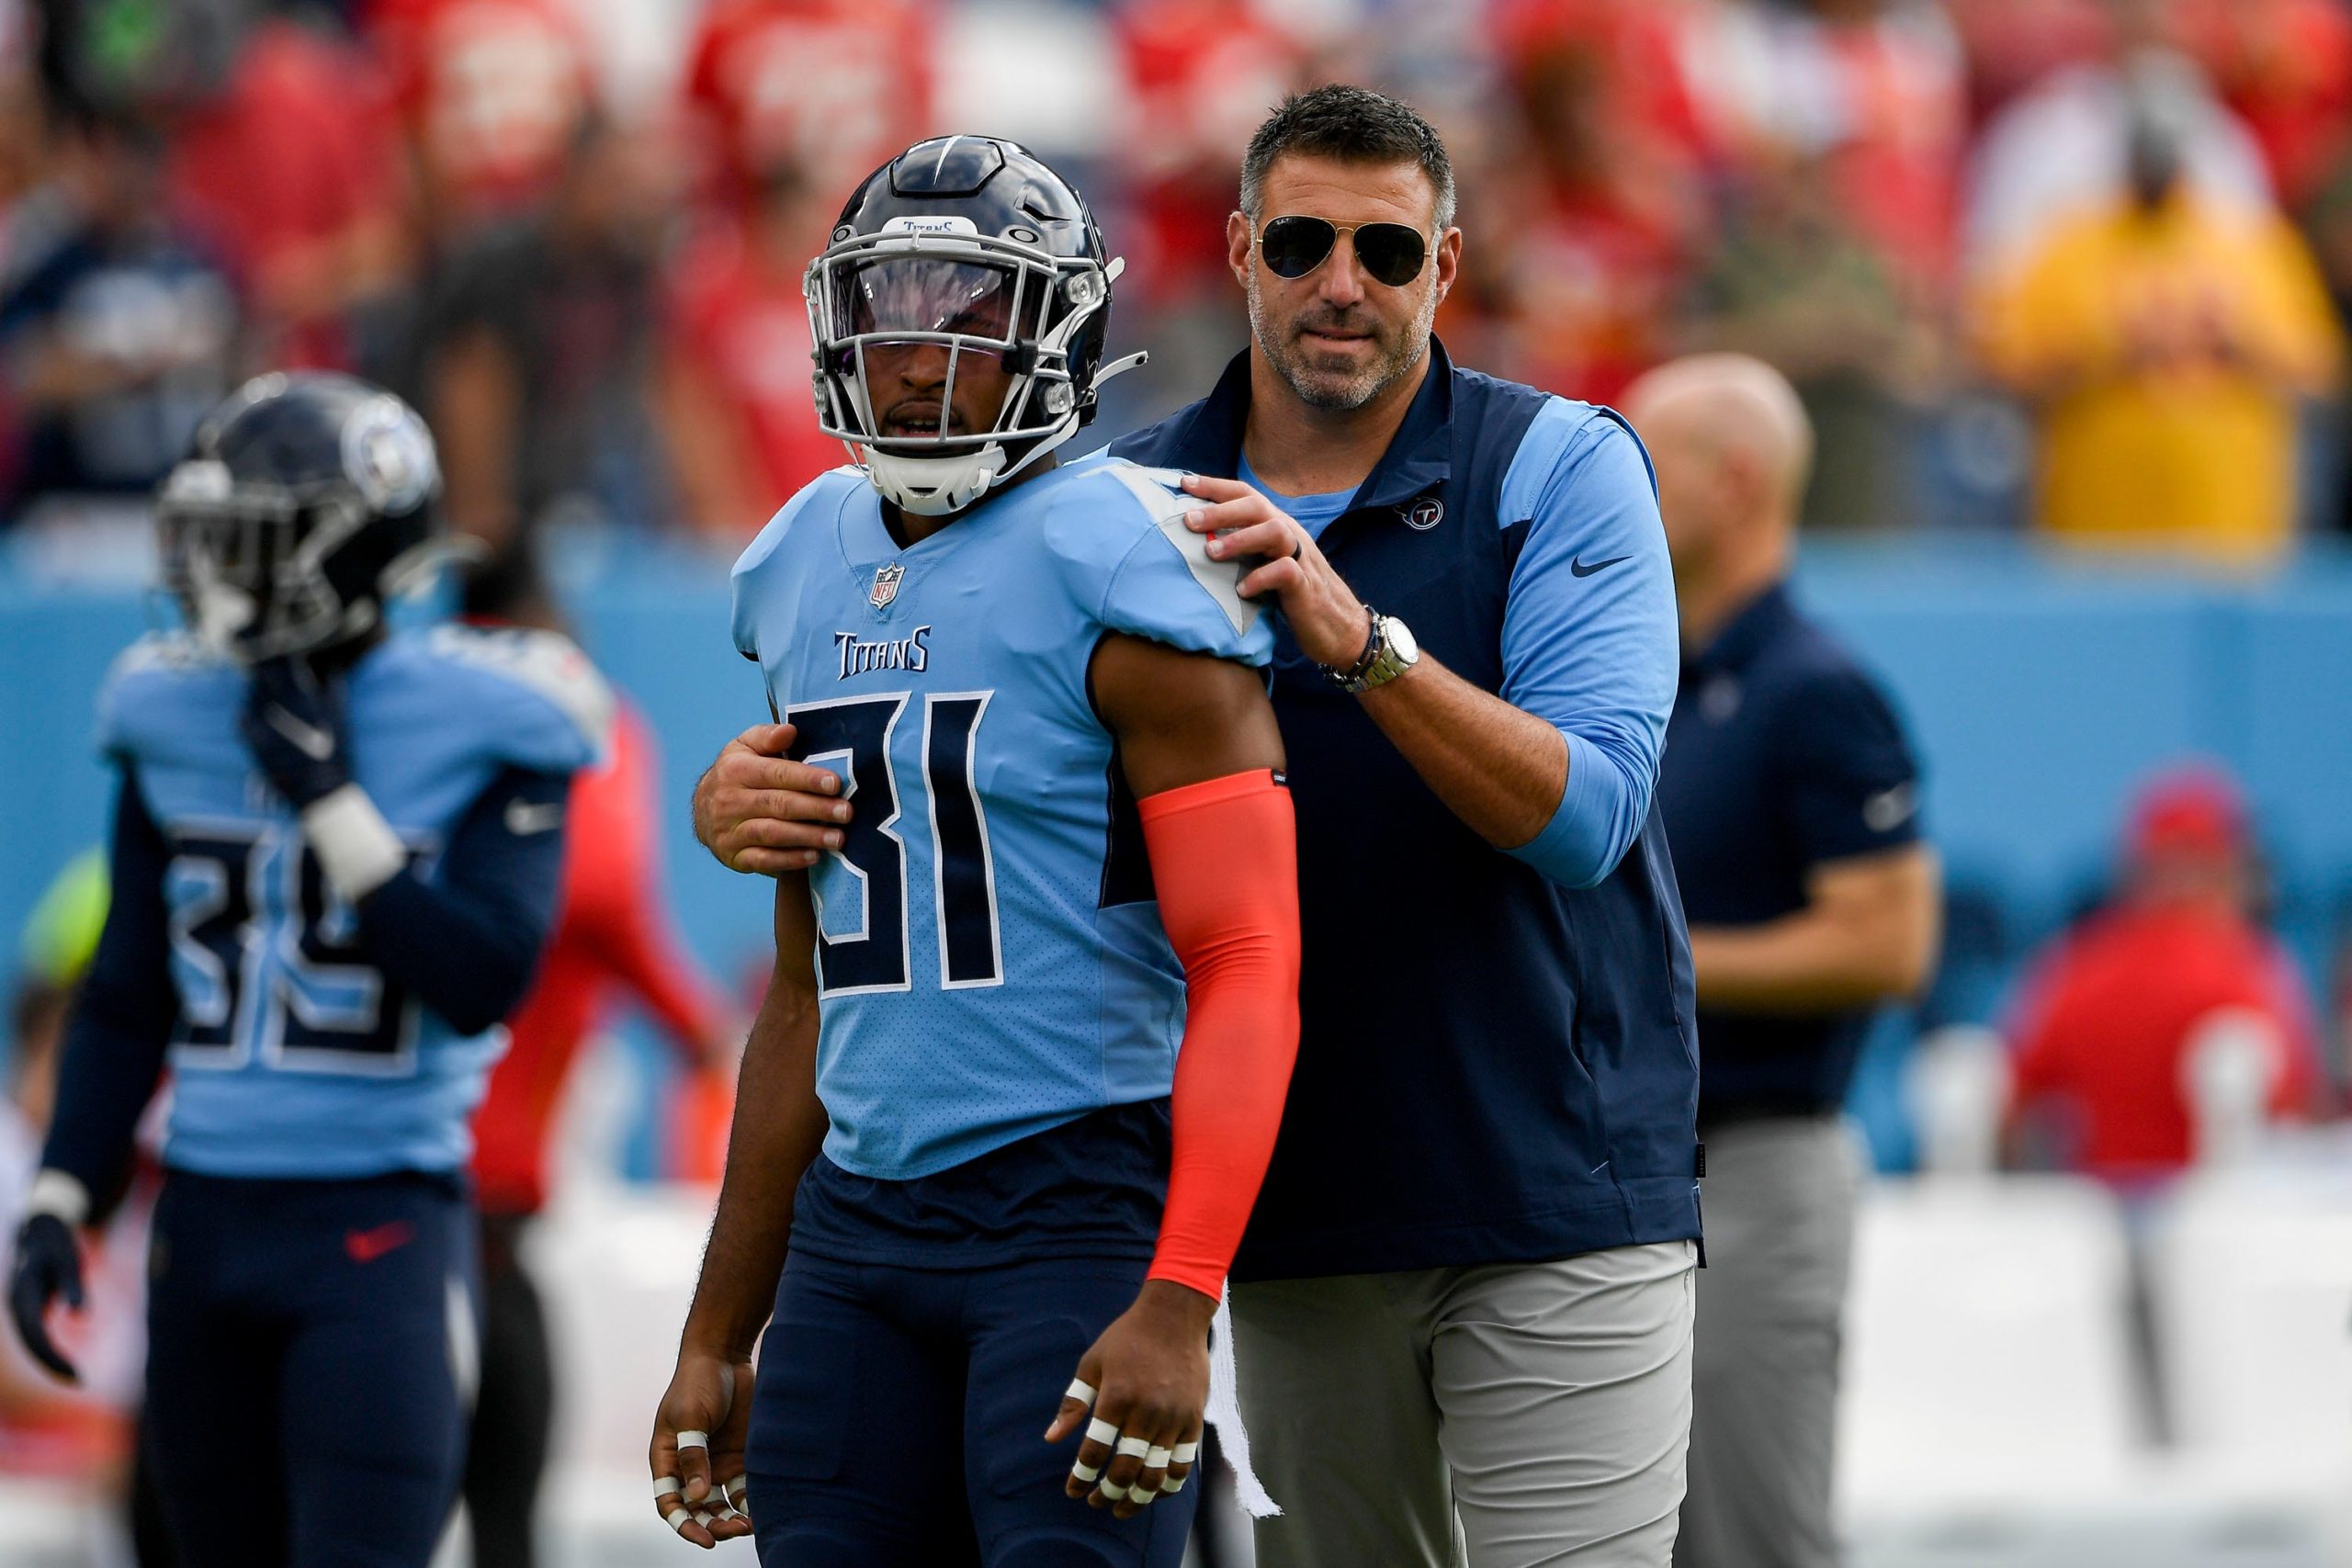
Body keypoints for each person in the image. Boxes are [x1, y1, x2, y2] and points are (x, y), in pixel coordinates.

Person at [694, 85, 1702, 1566]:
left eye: (1387, 250)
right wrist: (753, 787)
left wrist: (1365, 643)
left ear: (1449, 267)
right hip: (1289, 1201)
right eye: (1299, 241)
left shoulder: (1554, 464)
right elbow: (914, 828)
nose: (1340, 282)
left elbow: (1594, 813)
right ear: (1237, 249)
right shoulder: (1109, 504)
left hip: (1548, 1180)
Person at [645, 135, 1303, 1566]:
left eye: (968, 307)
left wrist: (1182, 1296)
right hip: (857, 1230)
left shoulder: (1123, 556)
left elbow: (1248, 959)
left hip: (1075, 1200)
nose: (916, 349)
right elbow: (809, 991)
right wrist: (717, 1331)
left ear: (1057, 335)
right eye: (890, 305)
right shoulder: (802, 556)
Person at [5, 371, 609, 1567]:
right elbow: (129, 985)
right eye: (209, 536)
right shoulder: (167, 707)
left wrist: (331, 802)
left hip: (378, 1220)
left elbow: (482, 972)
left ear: (358, 547)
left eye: (256, 540)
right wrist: (69, 1185)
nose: (218, 571)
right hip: (203, 1222)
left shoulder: (488, 708)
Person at [1622, 353, 1940, 1568]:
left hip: (1758, 1165)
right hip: (1645, 1175)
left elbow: (1890, 937)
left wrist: (1653, 963)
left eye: (1649, 468)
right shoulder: (1664, 682)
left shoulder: (1816, 691)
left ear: (1736, 479)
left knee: (1751, 1533)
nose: (1623, 496)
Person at [459, 547, 736, 1568]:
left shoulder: (389, 717)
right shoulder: (570, 710)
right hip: (473, 1177)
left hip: (372, 1170)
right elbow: (603, 891)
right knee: (499, 1471)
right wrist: (697, 1026)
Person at [1974, 74, 2342, 560]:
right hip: (2097, 526)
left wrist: (2236, 343)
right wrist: (2106, 347)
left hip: (2229, 525)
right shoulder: (2072, 245)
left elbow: (2316, 367)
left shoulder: (2247, 244)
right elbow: (2006, 362)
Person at [2006, 763, 2323, 1186]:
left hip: (2098, 1224)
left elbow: (2011, 1109)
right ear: (2220, 870)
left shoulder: (2073, 969)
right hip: (2221, 1228)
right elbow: (2295, 1112)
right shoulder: (2249, 970)